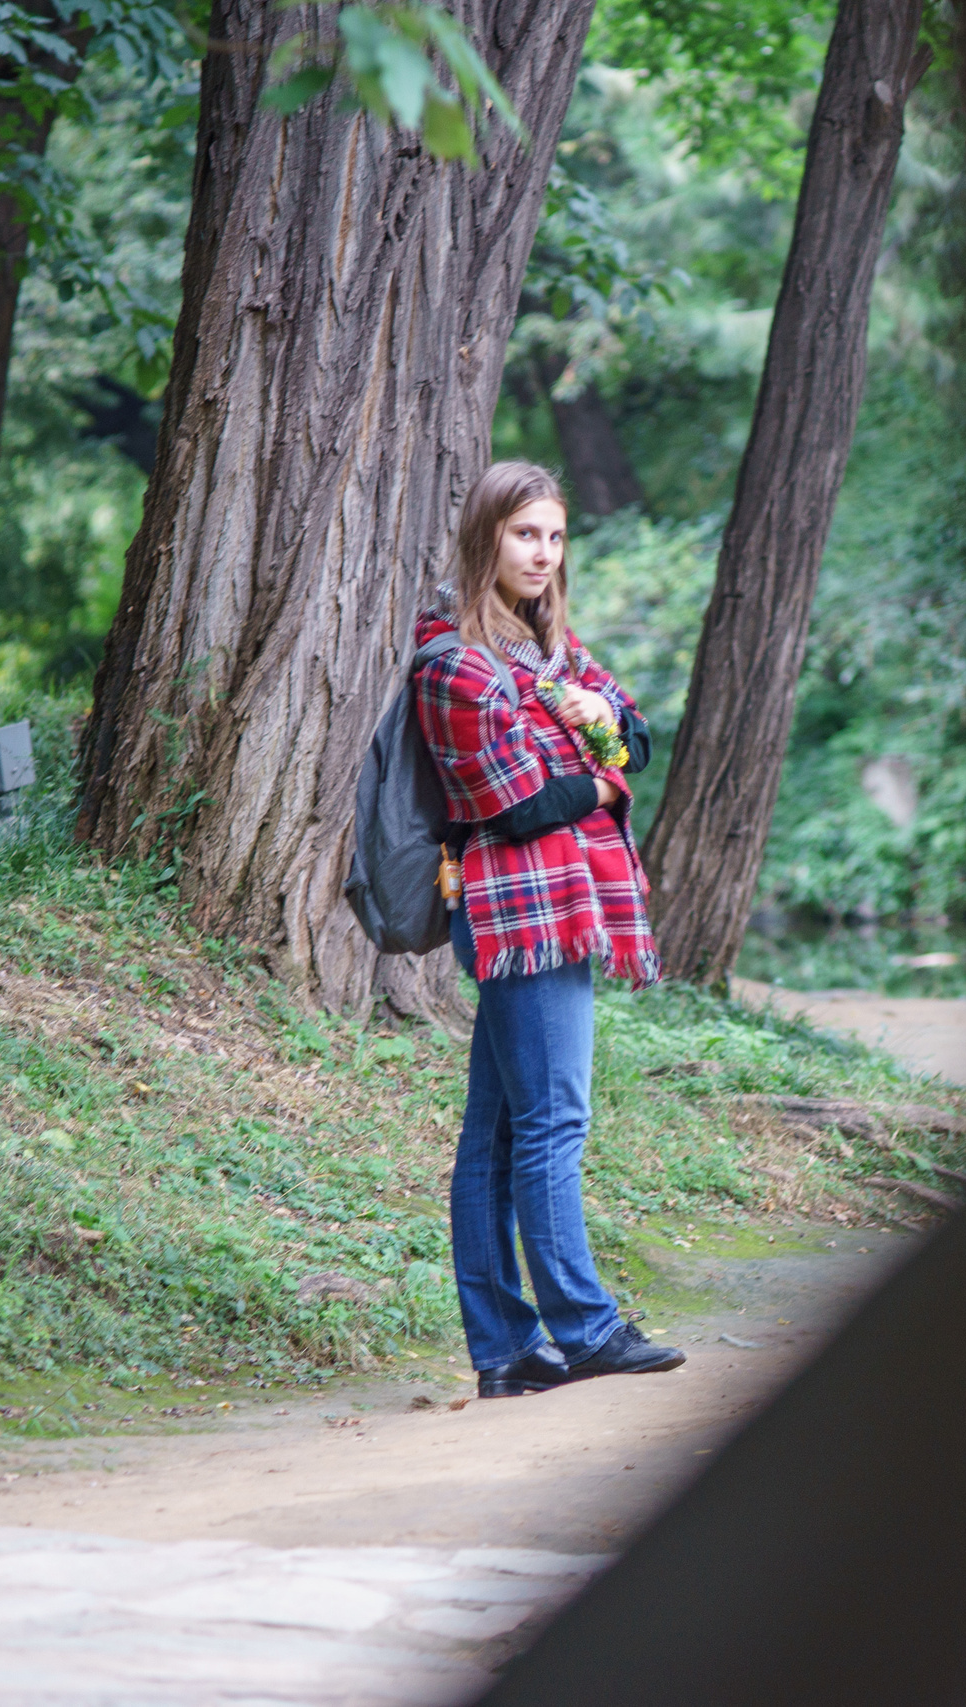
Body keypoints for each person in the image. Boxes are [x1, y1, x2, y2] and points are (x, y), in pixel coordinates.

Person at [414, 460, 686, 1398]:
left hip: (564, 902)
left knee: (496, 1134)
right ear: (487, 534)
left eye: (555, 535)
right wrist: (605, 779)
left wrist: (604, 718)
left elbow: (639, 736)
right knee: (553, 1121)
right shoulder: (455, 661)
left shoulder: (553, 651)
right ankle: (585, 1327)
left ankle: (505, 1351)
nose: (542, 552)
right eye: (525, 532)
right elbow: (522, 804)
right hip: (515, 907)